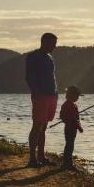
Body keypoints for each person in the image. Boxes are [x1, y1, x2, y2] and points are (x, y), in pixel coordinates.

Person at [25, 32, 58, 167]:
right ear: (44, 42)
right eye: (53, 43)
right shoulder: (33, 56)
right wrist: (36, 92)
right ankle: (32, 159)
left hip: (52, 95)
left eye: (55, 44)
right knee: (37, 126)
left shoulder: (50, 57)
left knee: (43, 127)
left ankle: (41, 157)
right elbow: (29, 77)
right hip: (41, 96)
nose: (54, 46)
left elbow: (51, 76)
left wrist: (55, 93)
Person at [60, 85, 83, 170]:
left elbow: (62, 116)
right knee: (70, 145)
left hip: (67, 127)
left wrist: (67, 120)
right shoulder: (71, 105)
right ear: (72, 95)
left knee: (68, 145)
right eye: (77, 96)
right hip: (71, 128)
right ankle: (68, 163)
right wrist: (79, 127)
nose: (77, 98)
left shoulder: (66, 104)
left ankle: (67, 162)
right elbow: (74, 119)